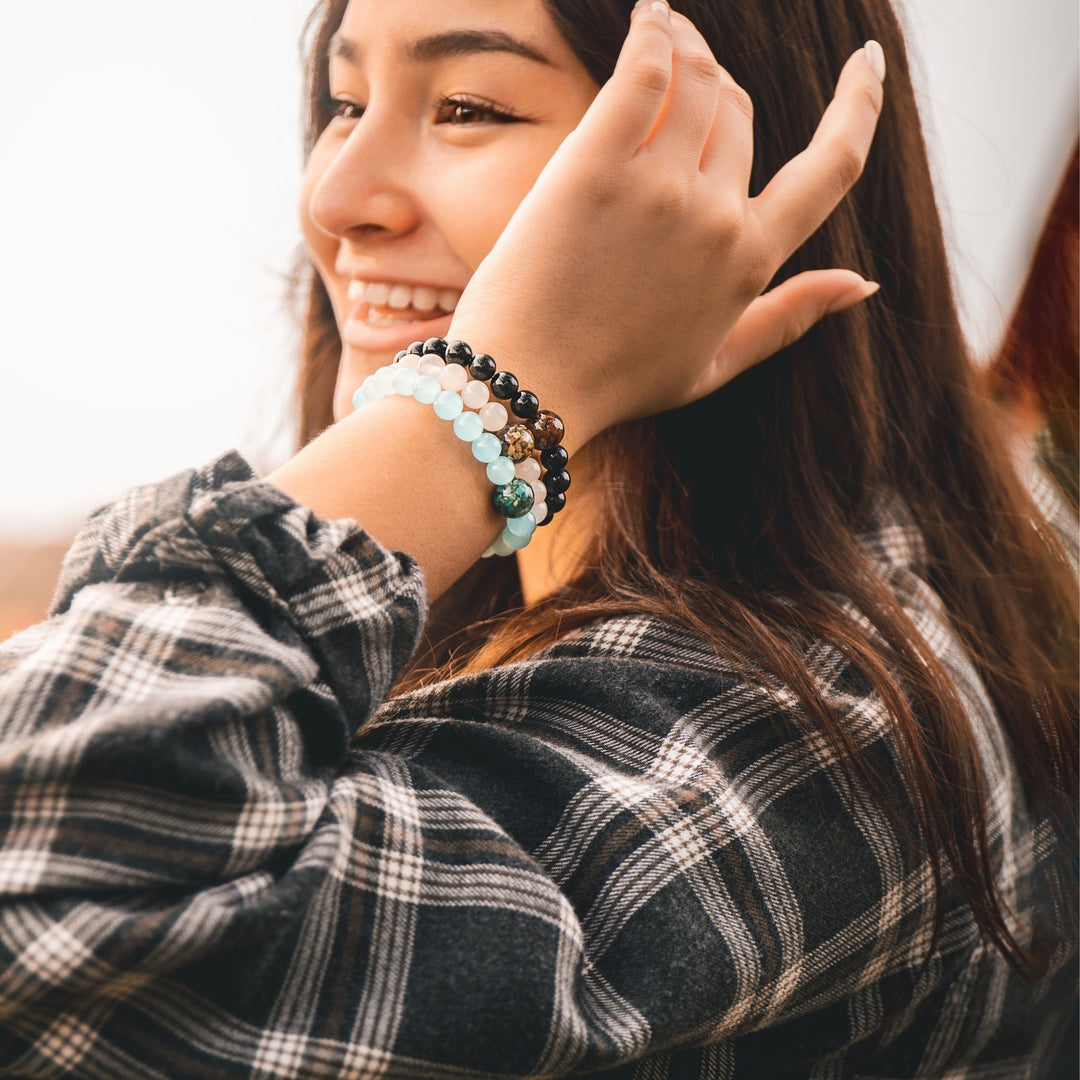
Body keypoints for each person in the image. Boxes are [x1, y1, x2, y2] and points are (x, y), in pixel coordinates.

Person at [0, 1, 1075, 1077]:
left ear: (738, 175)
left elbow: (51, 867)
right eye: (345, 102)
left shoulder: (826, 728)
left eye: (467, 106)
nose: (335, 196)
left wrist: (484, 409)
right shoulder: (510, 627)